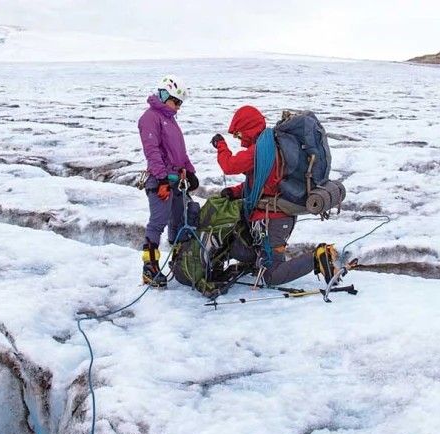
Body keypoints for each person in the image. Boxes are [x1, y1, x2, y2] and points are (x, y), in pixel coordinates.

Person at [211, 105, 336, 286]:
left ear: (248, 128)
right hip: (275, 217)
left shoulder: (259, 151)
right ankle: (263, 262)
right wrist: (235, 192)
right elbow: (263, 184)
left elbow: (229, 166)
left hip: (274, 220)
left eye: (239, 134)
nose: (239, 140)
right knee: (253, 253)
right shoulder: (269, 146)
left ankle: (318, 257)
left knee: (272, 276)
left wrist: (221, 145)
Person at [137, 75, 199, 288]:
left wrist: (190, 172)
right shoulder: (150, 118)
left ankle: (181, 264)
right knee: (158, 222)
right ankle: (150, 267)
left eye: (180, 103)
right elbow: (152, 151)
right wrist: (162, 179)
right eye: (177, 102)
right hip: (160, 181)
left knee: (181, 220)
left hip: (176, 181)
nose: (179, 107)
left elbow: (179, 152)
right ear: (165, 95)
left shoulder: (170, 120)